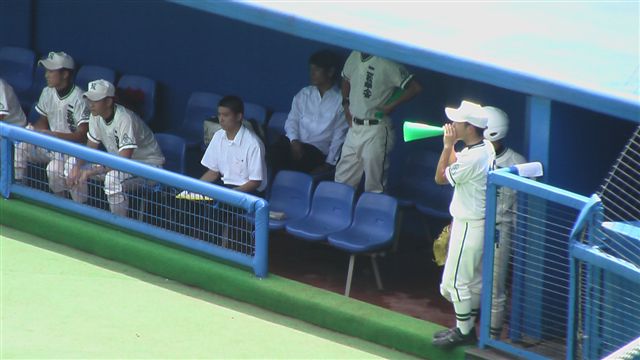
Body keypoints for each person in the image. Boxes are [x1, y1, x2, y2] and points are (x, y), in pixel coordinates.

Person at [432, 100, 495, 348]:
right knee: (454, 285)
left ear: (469, 127)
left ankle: (465, 332)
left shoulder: (474, 157)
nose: (452, 124)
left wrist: (447, 146)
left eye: (458, 121)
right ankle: (463, 325)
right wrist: (453, 147)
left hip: (470, 225)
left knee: (455, 284)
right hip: (469, 222)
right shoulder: (484, 147)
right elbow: (457, 163)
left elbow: (439, 177)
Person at [66, 80, 165, 216]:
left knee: (113, 178)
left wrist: (90, 172)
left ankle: (119, 225)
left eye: (96, 100)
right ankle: (81, 213)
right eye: (89, 99)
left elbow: (123, 162)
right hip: (122, 165)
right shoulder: (96, 116)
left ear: (108, 102)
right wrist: (78, 167)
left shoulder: (124, 119)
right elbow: (89, 150)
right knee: (71, 164)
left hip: (148, 167)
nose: (91, 104)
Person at [334, 50, 422, 193]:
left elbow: (415, 87)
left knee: (374, 185)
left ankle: (373, 215)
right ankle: (338, 214)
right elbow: (346, 78)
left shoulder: (387, 62)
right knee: (342, 180)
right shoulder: (355, 54)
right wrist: (346, 105)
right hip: (354, 127)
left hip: (376, 128)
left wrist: (392, 105)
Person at [14, 51, 90, 197]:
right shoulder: (47, 92)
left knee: (54, 170)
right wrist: (34, 130)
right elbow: (43, 121)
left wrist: (52, 135)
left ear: (65, 74)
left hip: (74, 151)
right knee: (22, 144)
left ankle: (77, 210)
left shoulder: (79, 98)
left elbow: (82, 136)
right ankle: (17, 188)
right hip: (53, 146)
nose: (46, 75)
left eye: (51, 71)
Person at [483, 106, 526, 339]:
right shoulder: (473, 154)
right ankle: (468, 330)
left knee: (495, 287)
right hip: (475, 224)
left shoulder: (516, 161)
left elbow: (521, 207)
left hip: (501, 229)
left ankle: (492, 337)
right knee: (468, 282)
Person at [271, 50, 348, 174]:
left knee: (295, 164)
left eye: (317, 70)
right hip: (293, 143)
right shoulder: (304, 94)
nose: (312, 74)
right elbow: (292, 120)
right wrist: (294, 141)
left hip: (315, 151)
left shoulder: (340, 101)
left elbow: (339, 135)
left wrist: (328, 164)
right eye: (311, 69)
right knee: (267, 153)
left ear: (330, 72)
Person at [200, 95, 267, 195]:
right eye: (219, 114)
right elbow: (213, 173)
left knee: (217, 207)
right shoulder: (218, 136)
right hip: (224, 187)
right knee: (185, 200)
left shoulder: (254, 144)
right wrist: (194, 188)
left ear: (239, 117)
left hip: (247, 193)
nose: (221, 119)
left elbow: (255, 182)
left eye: (226, 115)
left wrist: (230, 195)